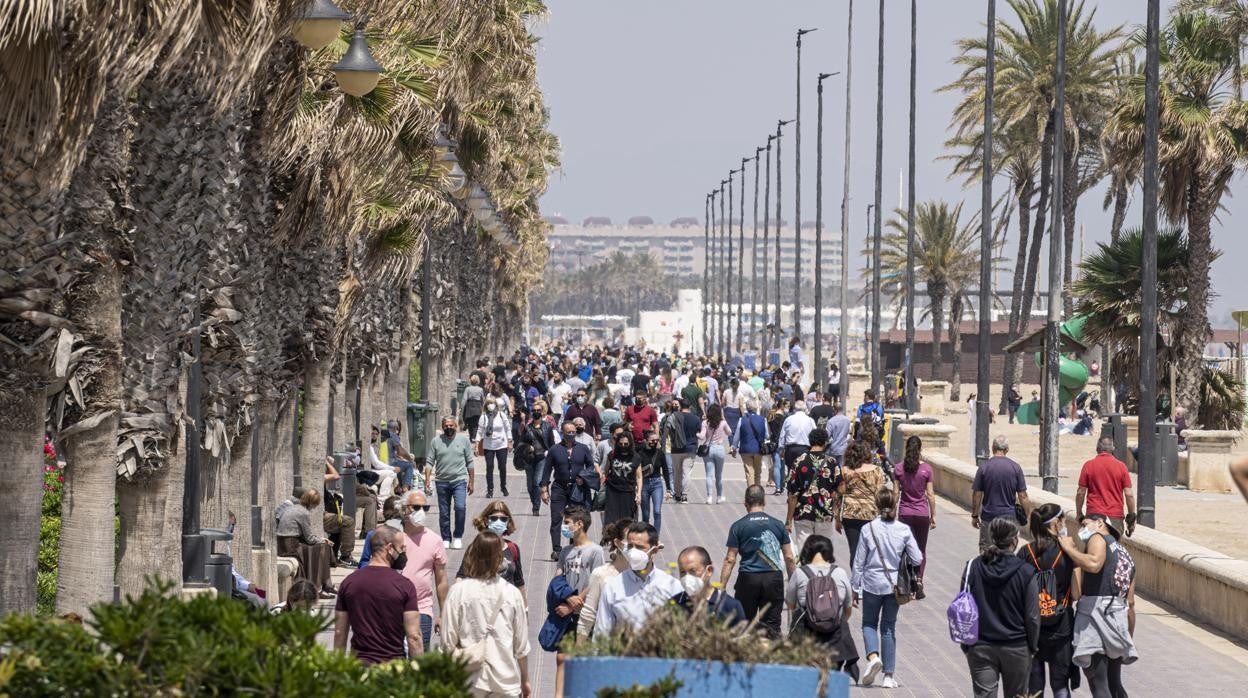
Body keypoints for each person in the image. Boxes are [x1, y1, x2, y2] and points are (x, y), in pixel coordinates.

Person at [442, 531, 532, 698]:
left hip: (468, 681)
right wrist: (525, 680)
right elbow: (521, 644)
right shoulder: (511, 593)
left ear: (472, 555)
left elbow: (448, 642)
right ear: (500, 558)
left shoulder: (458, 592)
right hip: (505, 681)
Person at [1058, 513, 1138, 697]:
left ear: (1100, 523)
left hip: (1096, 617)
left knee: (1098, 683)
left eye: (1085, 524)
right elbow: (1131, 603)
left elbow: (1093, 564)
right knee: (1115, 684)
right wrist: (1128, 636)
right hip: (1118, 619)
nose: (1081, 530)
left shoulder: (1098, 537)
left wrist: (1070, 549)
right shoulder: (1126, 555)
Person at [960, 518, 1041, 698]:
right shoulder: (1026, 572)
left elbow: (963, 608)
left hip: (980, 645)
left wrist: (966, 645)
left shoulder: (973, 566)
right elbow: (1033, 616)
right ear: (1014, 541)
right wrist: (1033, 646)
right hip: (1017, 646)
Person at [851, 488, 923, 689]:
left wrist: (854, 587)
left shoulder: (868, 529)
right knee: (889, 627)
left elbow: (859, 562)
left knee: (868, 623)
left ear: (876, 504)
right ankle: (888, 676)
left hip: (872, 582)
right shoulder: (903, 530)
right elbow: (917, 558)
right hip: (894, 585)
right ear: (895, 505)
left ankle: (873, 656)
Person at [333, 525, 423, 664]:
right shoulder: (404, 586)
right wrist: (421, 672)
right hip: (393, 668)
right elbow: (414, 636)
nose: (404, 553)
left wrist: (337, 670)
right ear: (389, 548)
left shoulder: (349, 583)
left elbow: (340, 632)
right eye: (402, 548)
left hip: (359, 667)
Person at [719, 484, 797, 639]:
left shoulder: (738, 526)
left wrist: (721, 587)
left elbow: (730, 559)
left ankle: (745, 658)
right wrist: (793, 584)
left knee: (744, 623)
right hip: (773, 579)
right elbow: (789, 557)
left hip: (748, 578)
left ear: (745, 503)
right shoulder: (777, 525)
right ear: (764, 502)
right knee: (772, 626)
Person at [1021, 503, 1079, 698]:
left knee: (1035, 686)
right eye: (1063, 520)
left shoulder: (1026, 552)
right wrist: (1073, 553)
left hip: (1032, 627)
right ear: (1056, 523)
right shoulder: (1067, 553)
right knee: (1060, 684)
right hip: (1061, 627)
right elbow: (1077, 594)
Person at [595, 522, 683, 636]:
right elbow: (602, 632)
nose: (633, 553)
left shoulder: (673, 586)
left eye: (640, 547)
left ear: (654, 551)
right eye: (630, 547)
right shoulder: (613, 587)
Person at [784, 535, 854, 667]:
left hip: (806, 636)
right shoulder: (840, 573)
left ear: (807, 551)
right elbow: (848, 608)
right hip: (835, 638)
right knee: (833, 678)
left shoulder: (799, 573)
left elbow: (790, 603)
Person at [398, 490, 449, 651]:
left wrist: (442, 614)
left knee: (419, 659)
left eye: (424, 508)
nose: (421, 512)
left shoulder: (434, 540)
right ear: (404, 509)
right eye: (416, 507)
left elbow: (441, 580)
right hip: (391, 607)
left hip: (422, 608)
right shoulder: (392, 536)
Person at [540, 421, 597, 560]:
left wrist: (583, 477)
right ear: (562, 433)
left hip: (577, 488)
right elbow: (547, 470)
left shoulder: (583, 448)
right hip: (559, 487)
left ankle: (574, 546)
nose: (571, 434)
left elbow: (591, 466)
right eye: (568, 432)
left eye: (573, 432)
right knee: (556, 518)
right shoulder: (554, 449)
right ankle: (557, 549)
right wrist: (544, 489)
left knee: (575, 519)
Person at [786, 427, 844, 551]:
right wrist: (838, 517)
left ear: (810, 441)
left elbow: (793, 495)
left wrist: (788, 521)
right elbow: (839, 491)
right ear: (824, 442)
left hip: (803, 513)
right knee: (823, 554)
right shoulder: (832, 462)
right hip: (824, 514)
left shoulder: (799, 461)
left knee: (804, 553)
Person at [972, 436, 1032, 552]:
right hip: (1009, 518)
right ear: (1007, 449)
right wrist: (1027, 515)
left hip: (989, 517)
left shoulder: (984, 467)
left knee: (986, 552)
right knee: (1008, 551)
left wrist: (975, 515)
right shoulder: (1015, 467)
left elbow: (977, 494)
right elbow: (1023, 495)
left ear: (993, 448)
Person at [576, 518, 632, 641]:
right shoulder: (601, 574)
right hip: (604, 650)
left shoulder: (642, 576)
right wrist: (577, 654)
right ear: (617, 543)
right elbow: (587, 617)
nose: (636, 549)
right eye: (631, 543)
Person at [426, 416, 476, 549]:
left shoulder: (463, 440)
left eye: (451, 425)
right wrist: (427, 479)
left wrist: (471, 481)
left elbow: (470, 462)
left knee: (460, 508)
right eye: (446, 425)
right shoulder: (436, 441)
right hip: (441, 481)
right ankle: (446, 538)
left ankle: (458, 536)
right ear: (443, 427)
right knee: (444, 512)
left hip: (459, 480)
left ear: (456, 426)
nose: (449, 428)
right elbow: (430, 461)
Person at [276, 487, 336, 597]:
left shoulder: (294, 508)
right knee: (323, 548)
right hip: (291, 546)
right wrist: (322, 540)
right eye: (315, 504)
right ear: (312, 502)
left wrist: (321, 540)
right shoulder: (303, 513)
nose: (314, 507)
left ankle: (323, 586)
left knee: (321, 547)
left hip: (283, 544)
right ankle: (320, 586)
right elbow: (310, 539)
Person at [893, 436, 935, 593]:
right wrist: (933, 515)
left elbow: (896, 493)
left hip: (904, 513)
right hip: (922, 514)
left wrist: (891, 510)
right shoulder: (927, 469)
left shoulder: (898, 468)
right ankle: (919, 579)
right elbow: (930, 494)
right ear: (920, 449)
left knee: (905, 547)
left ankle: (907, 578)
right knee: (921, 548)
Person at [457, 501, 525, 591]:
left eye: (503, 519)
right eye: (494, 518)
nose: (498, 522)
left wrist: (525, 605)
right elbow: (461, 576)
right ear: (486, 520)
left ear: (508, 522)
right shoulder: (475, 547)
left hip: (507, 601)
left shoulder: (513, 548)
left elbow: (519, 581)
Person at [672, 545, 747, 626]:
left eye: (692, 571)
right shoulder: (674, 604)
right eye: (682, 572)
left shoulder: (730, 606)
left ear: (709, 571)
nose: (687, 577)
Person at [1076, 437, 1137, 536]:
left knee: (1092, 548)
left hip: (1093, 516)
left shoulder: (1088, 465)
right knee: (1112, 548)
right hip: (1115, 517)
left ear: (1097, 448)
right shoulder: (1122, 467)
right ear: (1113, 448)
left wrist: (1079, 513)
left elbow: (1081, 492)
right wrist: (1131, 517)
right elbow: (1129, 494)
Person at [839, 440, 885, 567]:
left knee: (854, 550)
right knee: (870, 550)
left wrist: (837, 518)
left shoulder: (845, 470)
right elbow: (880, 494)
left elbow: (839, 495)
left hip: (850, 515)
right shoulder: (876, 470)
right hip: (871, 514)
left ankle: (855, 582)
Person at [517, 406, 554, 516]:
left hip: (542, 457)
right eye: (534, 410)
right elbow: (521, 443)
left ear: (542, 412)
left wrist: (550, 454)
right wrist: (528, 447)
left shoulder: (547, 427)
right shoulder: (527, 427)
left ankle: (536, 507)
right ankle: (534, 502)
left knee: (537, 482)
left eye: (538, 410)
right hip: (529, 458)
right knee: (530, 485)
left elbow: (552, 444)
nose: (536, 412)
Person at [664, 397, 701, 503]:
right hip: (690, 448)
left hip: (676, 448)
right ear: (690, 406)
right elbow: (698, 432)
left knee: (677, 472)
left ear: (680, 406)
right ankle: (685, 495)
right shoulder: (695, 418)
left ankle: (678, 494)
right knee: (687, 473)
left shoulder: (675, 417)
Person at [474, 397, 512, 498]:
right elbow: (479, 431)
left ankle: (503, 486)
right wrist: (476, 445)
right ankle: (490, 489)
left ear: (496, 405)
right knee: (489, 467)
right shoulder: (483, 417)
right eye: (489, 403)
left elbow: (507, 428)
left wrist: (510, 441)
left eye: (492, 403)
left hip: (501, 444)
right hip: (489, 445)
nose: (491, 405)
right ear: (486, 405)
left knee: (502, 467)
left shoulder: (501, 414)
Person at [602, 432, 642, 526]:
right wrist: (601, 486)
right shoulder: (612, 455)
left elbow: (639, 477)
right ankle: (610, 538)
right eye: (621, 444)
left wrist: (639, 493)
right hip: (612, 490)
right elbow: (606, 472)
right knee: (611, 519)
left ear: (630, 443)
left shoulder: (635, 457)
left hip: (628, 491)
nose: (623, 446)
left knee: (628, 519)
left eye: (626, 444)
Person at [635, 429, 670, 534]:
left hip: (657, 483)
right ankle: (646, 535)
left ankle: (655, 537)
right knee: (645, 514)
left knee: (657, 511)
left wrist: (668, 489)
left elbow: (666, 471)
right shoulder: (639, 453)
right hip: (644, 484)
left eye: (657, 440)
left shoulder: (660, 453)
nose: (655, 442)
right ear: (645, 440)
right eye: (652, 440)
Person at [778, 400, 816, 494]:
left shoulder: (789, 419)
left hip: (791, 449)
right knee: (804, 471)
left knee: (791, 471)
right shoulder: (810, 420)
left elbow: (782, 435)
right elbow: (815, 434)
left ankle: (791, 491)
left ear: (795, 408)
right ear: (804, 409)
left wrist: (781, 449)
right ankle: (802, 491)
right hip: (805, 449)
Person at [698, 403, 732, 504]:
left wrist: (696, 434)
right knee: (719, 475)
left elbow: (702, 436)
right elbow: (729, 432)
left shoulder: (705, 423)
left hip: (709, 449)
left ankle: (709, 497)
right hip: (719, 449)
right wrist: (723, 419)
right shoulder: (722, 422)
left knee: (709, 475)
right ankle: (719, 496)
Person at [732, 399, 769, 487]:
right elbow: (767, 435)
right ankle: (758, 492)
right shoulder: (763, 419)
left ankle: (751, 492)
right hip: (758, 449)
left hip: (745, 449)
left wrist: (734, 447)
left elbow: (737, 435)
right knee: (757, 472)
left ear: (747, 408)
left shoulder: (742, 419)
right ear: (756, 408)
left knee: (749, 472)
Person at [366, 424, 400, 499]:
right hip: (368, 473)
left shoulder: (373, 446)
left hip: (372, 471)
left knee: (393, 473)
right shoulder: (369, 447)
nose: (374, 436)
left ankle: (390, 494)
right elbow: (376, 464)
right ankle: (383, 497)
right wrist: (392, 468)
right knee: (392, 473)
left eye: (376, 434)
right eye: (372, 433)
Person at [766, 399, 788, 491]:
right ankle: (781, 485)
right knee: (782, 466)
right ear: (782, 406)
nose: (788, 408)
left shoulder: (771, 417)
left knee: (776, 465)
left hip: (773, 443)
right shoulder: (785, 418)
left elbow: (768, 432)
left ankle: (778, 487)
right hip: (783, 444)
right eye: (787, 406)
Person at [825, 401, 851, 467]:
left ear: (834, 409)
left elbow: (827, 435)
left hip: (834, 448)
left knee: (833, 469)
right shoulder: (847, 420)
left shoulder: (831, 421)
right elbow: (848, 432)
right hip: (844, 448)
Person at [463, 374, 486, 438]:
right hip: (478, 405)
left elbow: (464, 399)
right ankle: (474, 436)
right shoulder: (480, 389)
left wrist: (462, 407)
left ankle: (471, 435)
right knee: (476, 422)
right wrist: (484, 408)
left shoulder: (467, 389)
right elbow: (483, 399)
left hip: (469, 405)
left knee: (470, 422)